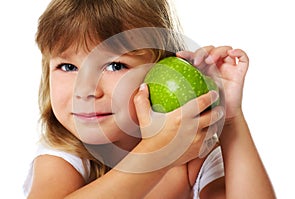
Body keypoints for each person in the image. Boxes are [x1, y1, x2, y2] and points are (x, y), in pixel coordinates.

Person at [24, 0, 276, 198]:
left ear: (159, 70)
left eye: (114, 66)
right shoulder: (66, 154)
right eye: (67, 67)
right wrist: (156, 154)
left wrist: (230, 120)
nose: (86, 90)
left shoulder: (192, 154)